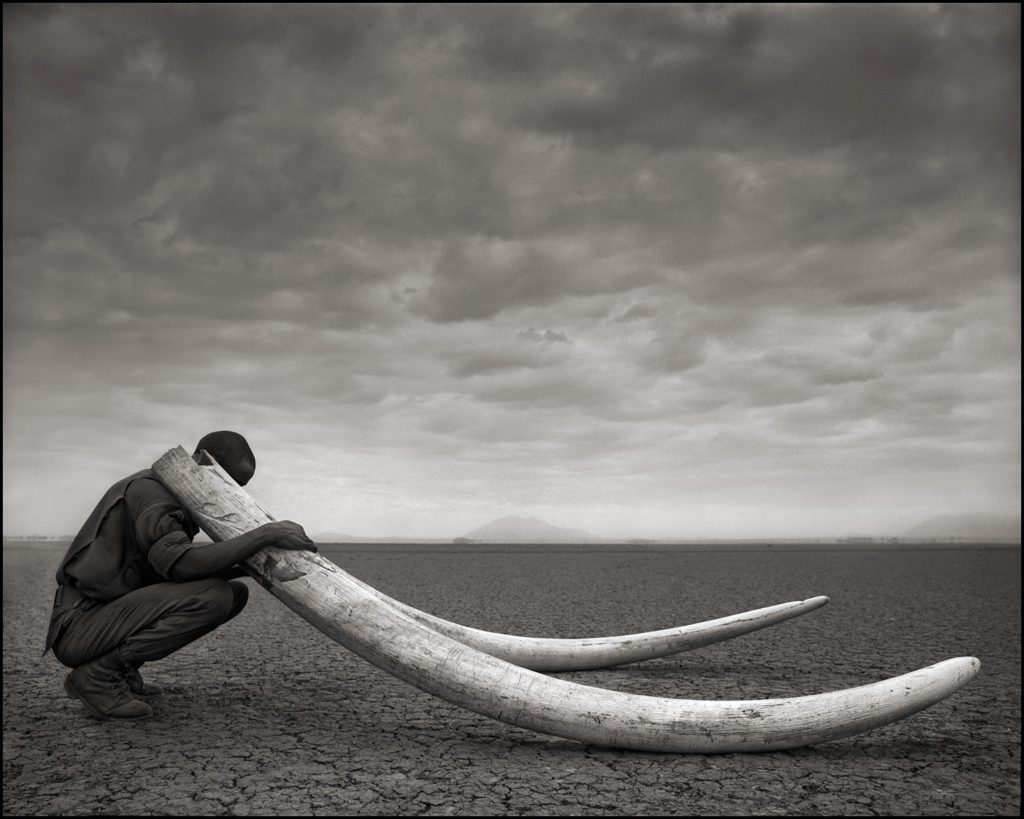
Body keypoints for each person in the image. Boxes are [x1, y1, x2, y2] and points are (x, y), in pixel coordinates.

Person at [44, 430, 316, 720]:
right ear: (201, 462)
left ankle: (119, 670)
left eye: (239, 488)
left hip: (102, 618)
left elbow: (172, 571)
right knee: (214, 597)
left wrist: (253, 568)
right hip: (81, 625)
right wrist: (265, 534)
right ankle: (98, 677)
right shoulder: (153, 494)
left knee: (235, 594)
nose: (231, 493)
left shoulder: (167, 492)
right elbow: (181, 566)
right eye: (228, 482)